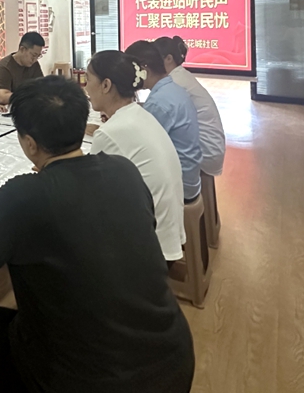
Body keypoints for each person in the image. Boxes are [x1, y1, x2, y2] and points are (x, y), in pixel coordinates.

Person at [0, 75, 195, 393]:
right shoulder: (123, 170)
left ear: (29, 143)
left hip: (88, 381)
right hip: (173, 360)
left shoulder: (24, 195)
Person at [83, 50, 186, 263]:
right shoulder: (140, 114)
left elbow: (89, 195)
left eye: (88, 79)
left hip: (151, 250)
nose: (85, 87)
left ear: (106, 85)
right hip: (169, 236)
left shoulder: (110, 133)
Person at [126, 41, 203, 203]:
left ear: (144, 69)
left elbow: (141, 148)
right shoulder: (172, 88)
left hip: (180, 186)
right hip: (190, 177)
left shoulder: (158, 102)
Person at [155, 35, 227, 176]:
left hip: (205, 151)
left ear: (169, 59)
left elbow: (157, 118)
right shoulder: (180, 76)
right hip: (211, 148)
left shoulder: (175, 81)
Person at [0, 32, 45, 105]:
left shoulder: (34, 64)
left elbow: (41, 87)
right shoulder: (4, 67)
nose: (35, 59)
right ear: (22, 49)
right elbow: (3, 97)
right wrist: (28, 95)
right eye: (33, 55)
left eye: (38, 56)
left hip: (22, 106)